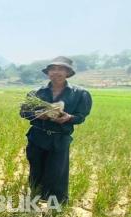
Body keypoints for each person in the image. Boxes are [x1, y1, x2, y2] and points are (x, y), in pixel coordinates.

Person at [20, 56, 92, 204]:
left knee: (57, 174)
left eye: (61, 69)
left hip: (60, 139)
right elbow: (23, 112)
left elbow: (81, 116)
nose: (56, 72)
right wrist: (38, 115)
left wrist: (69, 117)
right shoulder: (36, 93)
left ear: (68, 72)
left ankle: (56, 207)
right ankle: (34, 200)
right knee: (36, 171)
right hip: (37, 138)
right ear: (48, 73)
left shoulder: (80, 94)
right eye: (53, 69)